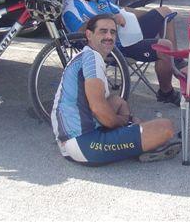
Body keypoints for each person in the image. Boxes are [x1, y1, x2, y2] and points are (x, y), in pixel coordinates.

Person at [52, 14, 181, 165]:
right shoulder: (92, 60)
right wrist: (123, 121)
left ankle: (133, 138)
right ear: (89, 34)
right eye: (103, 31)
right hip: (84, 144)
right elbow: (98, 109)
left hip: (70, 140)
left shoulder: (86, 56)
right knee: (165, 128)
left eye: (112, 32)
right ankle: (140, 144)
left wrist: (127, 122)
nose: (109, 36)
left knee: (118, 101)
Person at [62, 0, 181, 105]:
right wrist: (109, 19)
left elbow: (123, 11)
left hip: (129, 32)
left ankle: (175, 61)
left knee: (165, 13)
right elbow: (80, 34)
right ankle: (166, 92)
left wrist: (151, 14)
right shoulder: (71, 8)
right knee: (165, 47)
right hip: (116, 47)